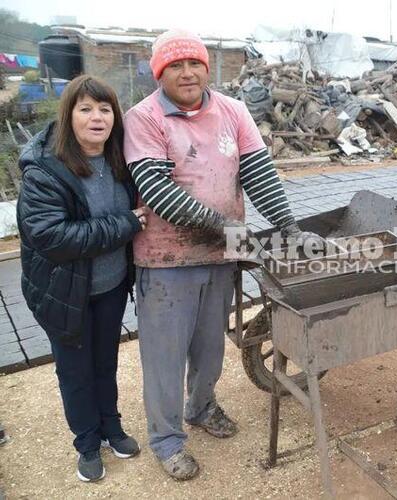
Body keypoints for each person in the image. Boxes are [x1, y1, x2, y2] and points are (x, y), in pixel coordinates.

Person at [123, 29, 316, 480]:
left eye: (194, 63)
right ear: (160, 74)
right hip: (165, 258)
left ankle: (202, 406)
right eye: (175, 65)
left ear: (206, 68)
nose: (186, 72)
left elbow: (259, 174)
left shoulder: (233, 111)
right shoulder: (144, 117)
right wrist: (227, 226)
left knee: (210, 346)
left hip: (220, 254)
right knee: (165, 355)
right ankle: (167, 439)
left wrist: (288, 226)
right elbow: (156, 190)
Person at [17, 75, 146, 482]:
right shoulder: (45, 171)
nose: (97, 118)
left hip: (110, 286)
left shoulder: (119, 161)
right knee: (75, 370)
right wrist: (125, 224)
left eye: (105, 109)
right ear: (68, 115)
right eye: (86, 108)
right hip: (63, 292)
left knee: (105, 363)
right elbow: (51, 236)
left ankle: (111, 426)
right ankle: (87, 442)